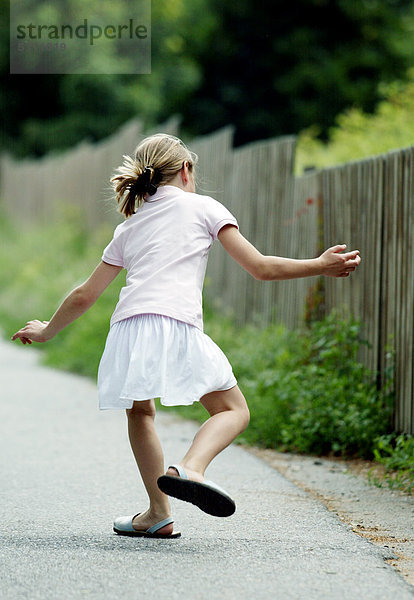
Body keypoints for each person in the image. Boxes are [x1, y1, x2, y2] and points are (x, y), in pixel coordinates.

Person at [12, 133, 361, 539]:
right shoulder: (204, 208)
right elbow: (261, 268)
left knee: (140, 413)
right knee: (234, 411)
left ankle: (158, 513)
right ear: (185, 170)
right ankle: (191, 469)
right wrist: (318, 265)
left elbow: (86, 294)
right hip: (175, 322)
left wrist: (47, 330)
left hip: (128, 328)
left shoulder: (129, 227)